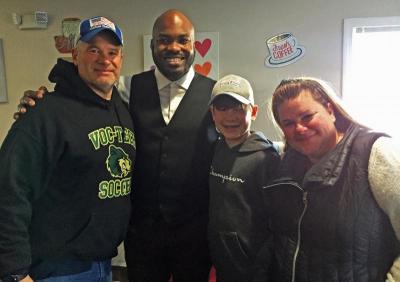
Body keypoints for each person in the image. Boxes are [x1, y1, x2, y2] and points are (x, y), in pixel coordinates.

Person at [13, 9, 217, 282]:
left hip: (194, 236)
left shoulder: (215, 94)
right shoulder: (127, 88)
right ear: (152, 45)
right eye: (164, 39)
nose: (174, 47)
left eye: (183, 40)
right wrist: (38, 102)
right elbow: (85, 93)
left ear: (194, 45)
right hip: (140, 238)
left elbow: (237, 133)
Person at [0, 16, 135, 282]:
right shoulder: (45, 115)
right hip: (55, 268)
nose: (104, 59)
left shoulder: (121, 109)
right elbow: (10, 188)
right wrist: (14, 271)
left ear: (120, 59)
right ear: (75, 55)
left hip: (103, 263)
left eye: (112, 52)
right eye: (93, 50)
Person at [264, 77, 400, 281]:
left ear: (330, 110)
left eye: (307, 116)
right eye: (289, 123)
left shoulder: (376, 154)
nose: (299, 128)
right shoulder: (287, 163)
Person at [207, 74, 280, 282]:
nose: (230, 116)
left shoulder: (266, 158)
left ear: (253, 112)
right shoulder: (215, 150)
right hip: (222, 263)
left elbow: (277, 221)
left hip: (255, 268)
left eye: (239, 108)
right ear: (212, 113)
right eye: (222, 107)